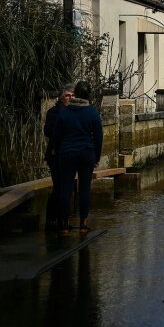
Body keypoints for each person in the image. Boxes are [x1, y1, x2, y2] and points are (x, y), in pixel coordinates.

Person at [54, 80, 103, 234]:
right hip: (86, 153)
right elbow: (99, 137)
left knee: (65, 188)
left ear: (75, 93)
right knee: (84, 189)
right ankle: (83, 224)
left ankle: (64, 225)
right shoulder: (92, 112)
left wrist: (58, 150)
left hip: (67, 153)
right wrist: (96, 156)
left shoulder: (65, 112)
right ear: (89, 95)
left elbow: (56, 135)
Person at [43, 84, 75, 231]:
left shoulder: (74, 112)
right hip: (56, 154)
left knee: (64, 186)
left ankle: (60, 218)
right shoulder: (54, 112)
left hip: (68, 153)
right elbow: (48, 131)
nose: (71, 98)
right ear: (61, 97)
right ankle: (53, 218)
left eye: (73, 95)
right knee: (59, 187)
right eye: (68, 95)